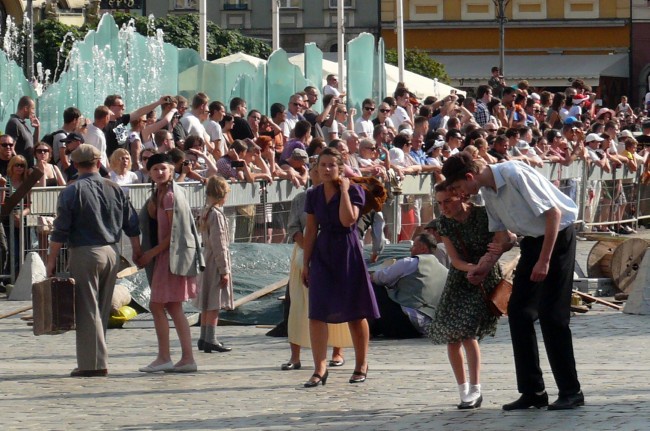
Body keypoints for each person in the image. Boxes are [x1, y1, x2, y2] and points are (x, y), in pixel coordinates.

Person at [441, 152, 583, 411]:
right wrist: (483, 267)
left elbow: (554, 213)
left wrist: (545, 260)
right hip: (531, 242)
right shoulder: (488, 193)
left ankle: (571, 390)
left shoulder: (514, 174)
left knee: (553, 316)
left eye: (459, 188)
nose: (461, 195)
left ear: (470, 176)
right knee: (518, 311)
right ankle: (533, 390)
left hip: (557, 238)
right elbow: (502, 239)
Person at [46, 144, 142, 377]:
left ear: (75, 165)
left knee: (87, 309)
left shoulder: (71, 191)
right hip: (112, 252)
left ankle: (92, 364)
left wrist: (50, 263)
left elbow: (60, 231)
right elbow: (132, 224)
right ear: (99, 163)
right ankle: (98, 358)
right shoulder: (115, 188)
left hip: (85, 252)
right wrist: (137, 253)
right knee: (101, 307)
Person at [302, 147, 380, 388]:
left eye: (331, 165)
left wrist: (345, 191)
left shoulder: (355, 190)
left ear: (339, 167)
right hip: (323, 253)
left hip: (347, 250)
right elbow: (311, 230)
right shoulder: (313, 194)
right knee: (317, 312)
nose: (326, 169)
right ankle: (320, 368)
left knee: (356, 312)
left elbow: (348, 220)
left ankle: (361, 363)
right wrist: (305, 263)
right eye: (322, 164)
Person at [427, 182, 507, 409]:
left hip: (486, 277)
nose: (444, 207)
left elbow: (502, 241)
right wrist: (471, 268)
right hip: (460, 278)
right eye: (440, 203)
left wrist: (483, 266)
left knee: (468, 333)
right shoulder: (444, 223)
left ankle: (475, 387)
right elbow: (455, 260)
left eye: (448, 201)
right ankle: (463, 388)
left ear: (461, 196)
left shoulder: (483, 215)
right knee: (452, 335)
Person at [137, 153, 204, 373]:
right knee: (173, 307)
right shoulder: (163, 193)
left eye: (162, 168)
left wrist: (149, 254)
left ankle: (165, 356)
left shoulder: (169, 196)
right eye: (155, 169)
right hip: (170, 256)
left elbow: (172, 234)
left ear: (171, 169)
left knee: (157, 305)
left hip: (170, 257)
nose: (159, 172)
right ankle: (186, 358)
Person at [283, 164, 352, 371]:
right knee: (297, 305)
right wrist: (309, 247)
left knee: (334, 303)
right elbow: (293, 227)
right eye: (315, 171)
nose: (320, 175)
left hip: (331, 253)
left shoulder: (339, 196)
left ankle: (337, 351)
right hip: (303, 252)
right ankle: (295, 356)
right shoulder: (301, 199)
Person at [370, 232, 447, 339]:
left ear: (423, 249)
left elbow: (378, 278)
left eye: (414, 246)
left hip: (404, 323)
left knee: (373, 288)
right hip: (425, 328)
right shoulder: (445, 272)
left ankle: (366, 329)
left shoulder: (410, 262)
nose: (411, 249)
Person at [195, 176, 235, 353]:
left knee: (206, 301)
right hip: (214, 261)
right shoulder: (217, 215)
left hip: (206, 257)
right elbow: (220, 244)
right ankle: (211, 338)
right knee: (214, 301)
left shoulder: (205, 211)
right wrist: (224, 270)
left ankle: (203, 337)